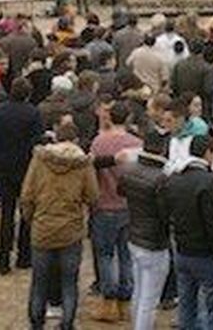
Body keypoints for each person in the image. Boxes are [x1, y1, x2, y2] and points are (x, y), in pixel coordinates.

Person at [20, 117, 97, 330]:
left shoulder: (40, 160)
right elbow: (93, 196)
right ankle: (67, 323)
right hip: (70, 229)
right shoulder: (82, 165)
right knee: (69, 281)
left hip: (43, 226)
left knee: (39, 281)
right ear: (76, 140)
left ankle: (36, 322)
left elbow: (27, 195)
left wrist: (31, 219)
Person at [88, 101, 143, 319]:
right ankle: (125, 301)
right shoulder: (137, 143)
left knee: (105, 255)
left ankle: (108, 299)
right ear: (128, 118)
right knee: (126, 255)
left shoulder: (99, 142)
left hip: (104, 204)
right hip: (129, 205)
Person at [168, 129, 213, 330]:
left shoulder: (176, 178)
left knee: (187, 304)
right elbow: (212, 222)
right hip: (204, 253)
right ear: (208, 153)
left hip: (182, 249)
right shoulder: (207, 182)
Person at [0, 78, 45, 275]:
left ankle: (3, 258)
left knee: (6, 212)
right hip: (26, 168)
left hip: (3, 167)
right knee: (26, 212)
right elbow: (38, 142)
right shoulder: (33, 113)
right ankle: (24, 255)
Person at [118, 126, 172, 330]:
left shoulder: (130, 171)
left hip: (135, 235)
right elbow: (165, 214)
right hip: (154, 242)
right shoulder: (161, 178)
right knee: (149, 299)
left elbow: (121, 190)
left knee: (139, 293)